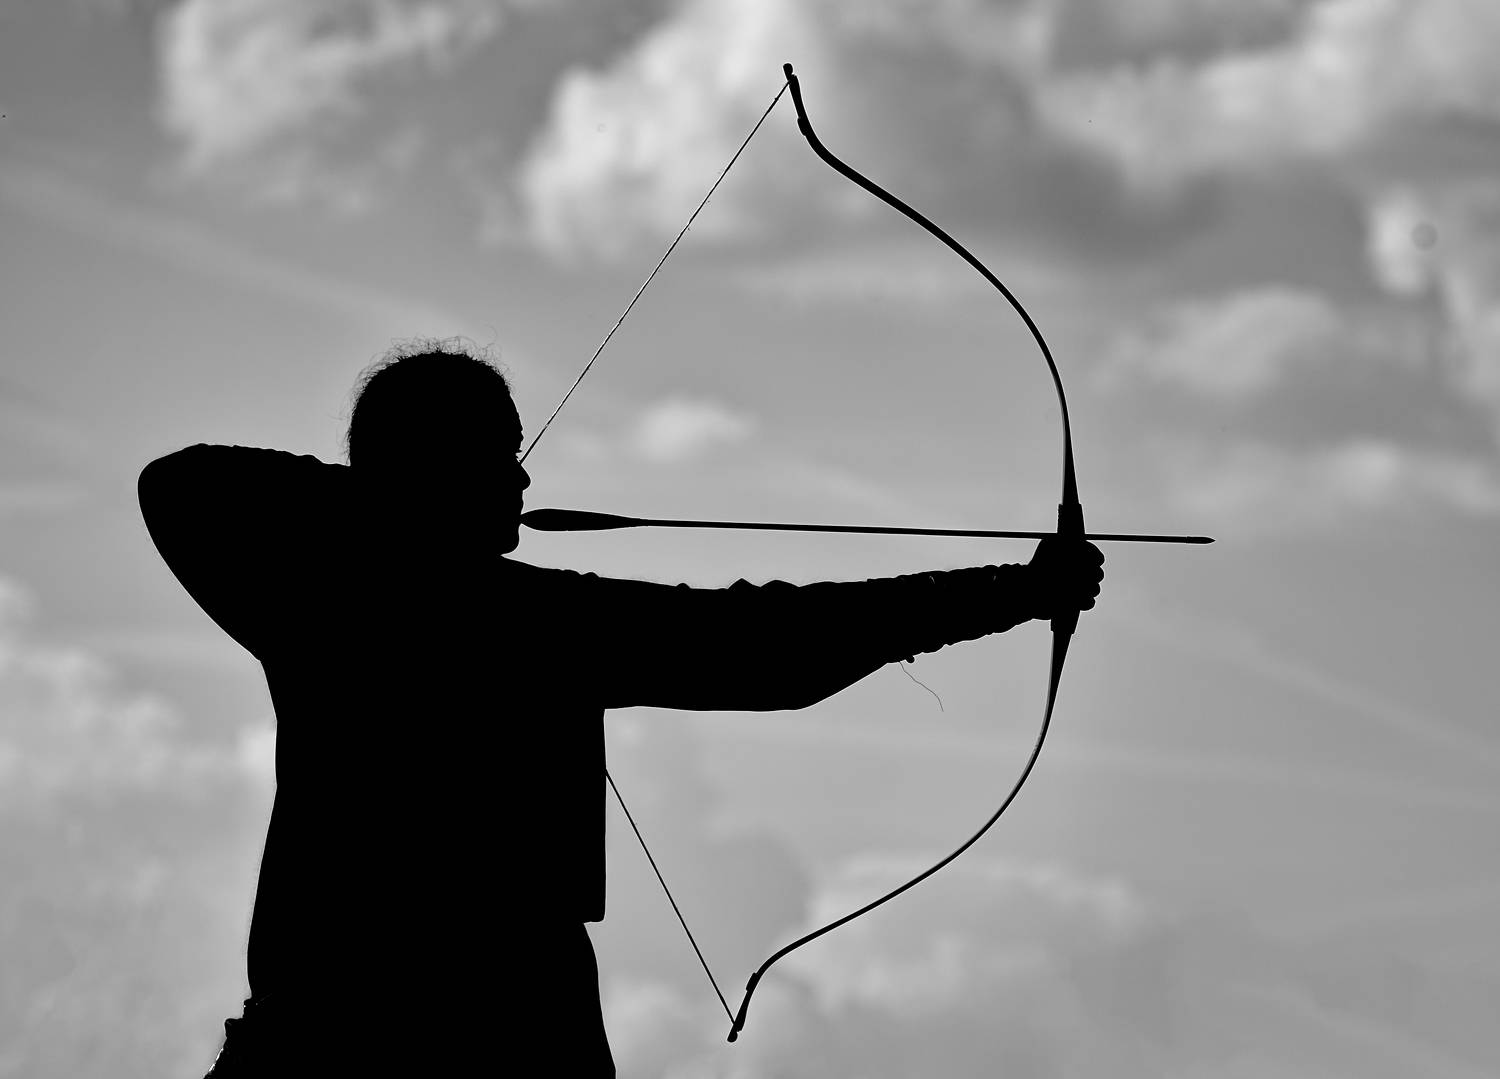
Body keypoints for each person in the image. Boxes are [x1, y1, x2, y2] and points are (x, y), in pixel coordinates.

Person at [138, 343, 1104, 1077]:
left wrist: (395, 502)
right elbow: (767, 644)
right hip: (493, 1036)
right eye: (501, 455)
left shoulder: (311, 602)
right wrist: (1014, 591)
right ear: (441, 466)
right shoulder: (523, 621)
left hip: (327, 1036)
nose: (523, 480)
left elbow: (183, 484)